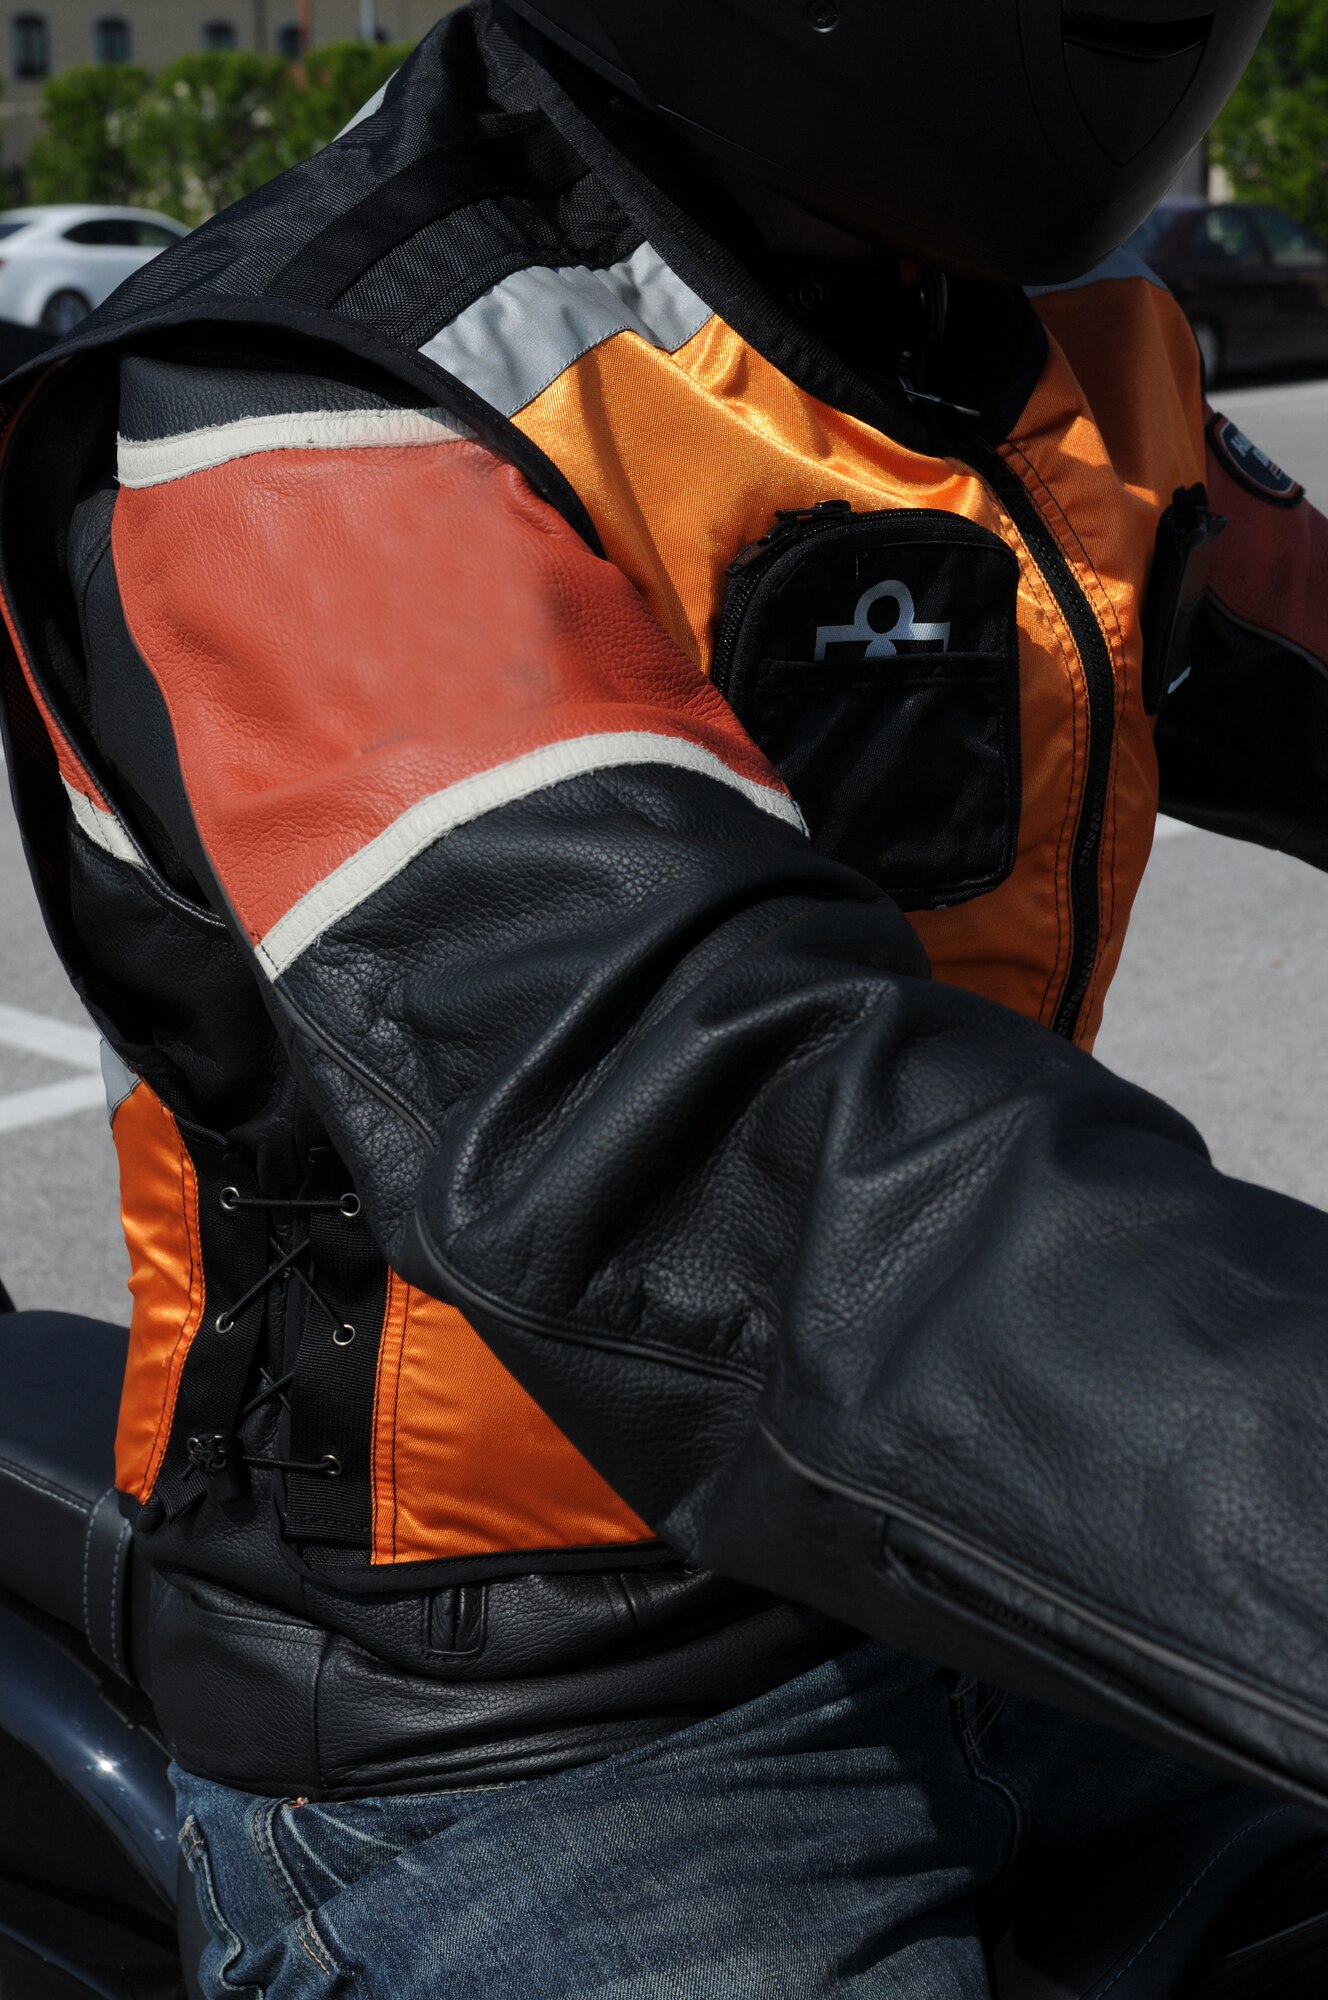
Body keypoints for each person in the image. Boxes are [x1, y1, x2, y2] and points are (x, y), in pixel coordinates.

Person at [1, 1, 1327, 1991]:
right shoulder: (312, 393)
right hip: (532, 1709)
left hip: (984, 1568)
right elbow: (723, 1148)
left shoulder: (1031, 337)